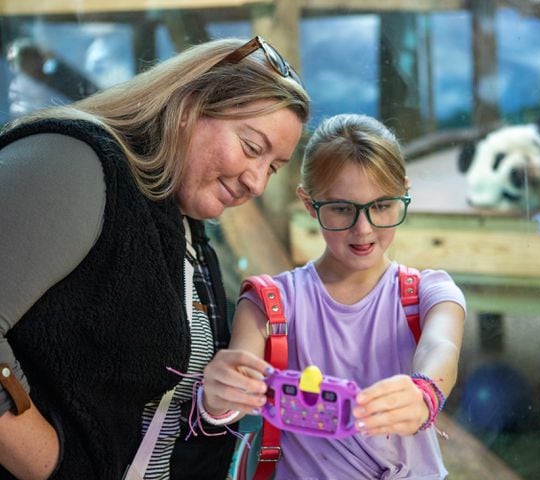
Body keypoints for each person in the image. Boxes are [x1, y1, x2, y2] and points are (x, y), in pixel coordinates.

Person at [0, 36, 310, 480]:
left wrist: (214, 400)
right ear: (187, 108)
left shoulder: (180, 230)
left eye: (274, 168)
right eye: (251, 147)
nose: (257, 183)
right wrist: (56, 466)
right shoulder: (73, 162)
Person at [202, 113, 466, 479]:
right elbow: (232, 399)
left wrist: (425, 392)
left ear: (404, 192)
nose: (364, 229)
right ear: (309, 204)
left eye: (381, 206)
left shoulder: (430, 293)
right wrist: (217, 399)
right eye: (342, 208)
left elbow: (441, 348)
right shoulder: (268, 303)